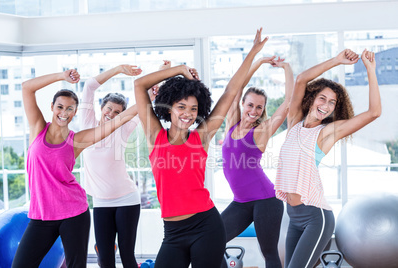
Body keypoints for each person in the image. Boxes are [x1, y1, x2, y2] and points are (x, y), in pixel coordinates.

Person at [134, 28, 268, 268]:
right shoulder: (155, 136)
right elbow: (139, 85)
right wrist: (178, 69)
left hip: (206, 226)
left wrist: (253, 52)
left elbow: (230, 91)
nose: (187, 114)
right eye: (181, 107)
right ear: (169, 108)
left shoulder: (201, 137)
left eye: (193, 109)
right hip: (172, 233)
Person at [12, 69, 140, 268]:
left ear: (75, 112)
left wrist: (148, 95)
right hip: (42, 214)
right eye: (60, 107)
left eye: (70, 109)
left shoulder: (77, 141)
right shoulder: (38, 128)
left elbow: (117, 122)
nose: (64, 113)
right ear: (52, 107)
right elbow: (27, 88)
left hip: (73, 212)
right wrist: (61, 76)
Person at [274, 49, 381, 268]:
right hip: (293, 217)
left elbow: (374, 112)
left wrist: (370, 70)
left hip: (316, 217)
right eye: (322, 98)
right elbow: (302, 79)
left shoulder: (326, 132)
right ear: (311, 98)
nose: (326, 105)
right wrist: (336, 61)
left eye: (332, 102)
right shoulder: (294, 122)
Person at [220, 55, 294, 268]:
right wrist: (259, 63)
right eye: (250, 105)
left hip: (266, 201)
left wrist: (286, 68)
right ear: (243, 103)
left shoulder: (260, 131)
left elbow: (288, 104)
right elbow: (236, 87)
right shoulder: (231, 124)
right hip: (240, 202)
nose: (253, 111)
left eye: (259, 108)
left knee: (269, 253)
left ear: (263, 110)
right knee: (212, 240)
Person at [79, 64, 142, 268]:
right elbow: (88, 87)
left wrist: (156, 79)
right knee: (105, 259)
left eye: (118, 112)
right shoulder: (87, 125)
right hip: (101, 202)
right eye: (109, 109)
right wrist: (119, 69)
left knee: (127, 255)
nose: (111, 114)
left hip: (127, 199)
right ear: (101, 108)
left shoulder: (122, 130)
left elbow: (142, 106)